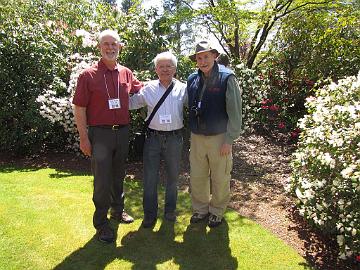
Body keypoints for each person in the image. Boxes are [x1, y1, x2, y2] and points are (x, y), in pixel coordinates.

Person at [72, 29, 143, 243]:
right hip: (100, 134)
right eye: (106, 44)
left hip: (122, 132)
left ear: (120, 47)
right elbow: (79, 107)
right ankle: (101, 222)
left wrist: (168, 82)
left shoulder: (126, 73)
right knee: (102, 181)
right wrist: (84, 137)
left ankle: (117, 210)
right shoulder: (88, 75)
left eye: (114, 44)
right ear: (99, 47)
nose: (110, 47)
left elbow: (143, 90)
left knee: (118, 175)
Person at [187, 41, 242, 228]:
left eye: (206, 56)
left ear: (214, 56)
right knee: (197, 176)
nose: (203, 61)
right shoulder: (192, 79)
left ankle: (217, 211)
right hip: (197, 138)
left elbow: (235, 112)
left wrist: (229, 139)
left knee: (220, 177)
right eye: (199, 58)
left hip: (220, 138)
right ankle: (200, 209)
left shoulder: (227, 78)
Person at [129, 51, 187, 228]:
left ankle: (169, 211)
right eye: (161, 66)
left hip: (175, 139)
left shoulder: (184, 89)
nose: (165, 69)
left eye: (169, 66)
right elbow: (131, 104)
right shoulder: (149, 88)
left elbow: (196, 106)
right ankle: (149, 214)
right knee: (150, 178)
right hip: (152, 139)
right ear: (156, 69)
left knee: (172, 178)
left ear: (175, 69)